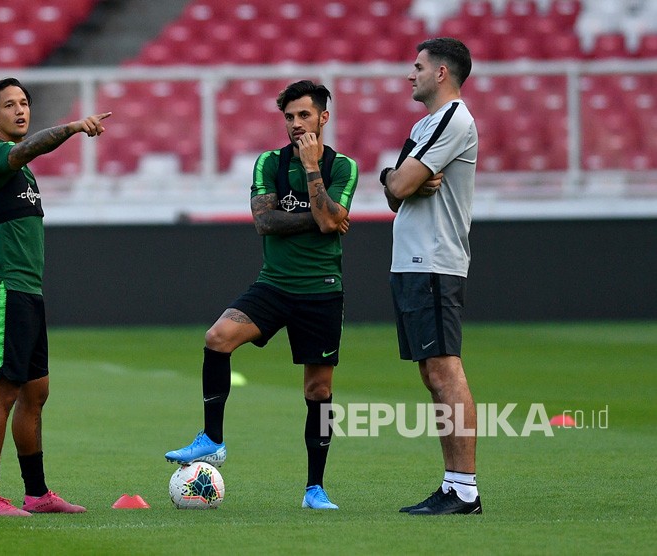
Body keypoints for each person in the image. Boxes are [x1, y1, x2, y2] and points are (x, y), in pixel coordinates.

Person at [165, 80, 358, 510]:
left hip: (322, 290)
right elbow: (266, 222)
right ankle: (213, 439)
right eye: (289, 117)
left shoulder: (343, 166)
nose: (295, 124)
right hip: (274, 284)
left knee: (319, 392)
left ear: (323, 117)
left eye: (304, 115)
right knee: (217, 338)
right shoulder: (268, 162)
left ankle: (314, 489)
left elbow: (326, 221)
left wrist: (312, 172)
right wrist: (321, 217)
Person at [0, 77, 111, 516]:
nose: (20, 109)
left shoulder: (22, 172)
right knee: (3, 392)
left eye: (25, 103)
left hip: (28, 292)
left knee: (35, 394)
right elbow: (27, 148)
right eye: (9, 105)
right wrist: (71, 128)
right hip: (4, 288)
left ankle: (37, 493)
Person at [379, 37, 481, 515]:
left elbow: (400, 183)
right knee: (431, 372)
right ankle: (452, 485)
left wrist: (400, 178)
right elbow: (394, 192)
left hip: (435, 261)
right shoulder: (424, 123)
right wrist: (396, 177)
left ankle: (465, 490)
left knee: (445, 370)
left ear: (441, 72)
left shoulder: (453, 118)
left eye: (417, 66)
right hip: (413, 261)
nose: (409, 74)